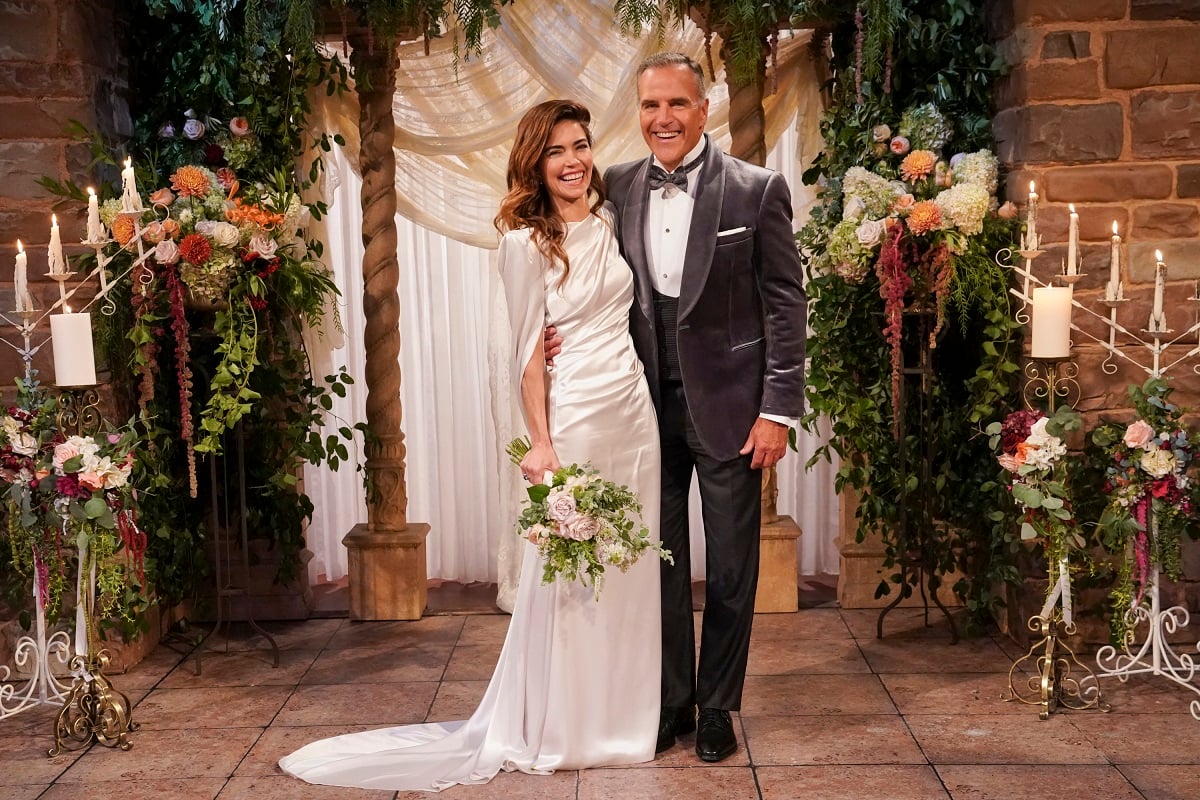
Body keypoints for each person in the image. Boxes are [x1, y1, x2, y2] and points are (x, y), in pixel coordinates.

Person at [277, 100, 662, 792]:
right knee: (570, 574)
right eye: (557, 150)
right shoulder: (522, 242)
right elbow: (524, 355)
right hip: (572, 418)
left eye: (580, 145)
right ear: (535, 163)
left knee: (627, 569)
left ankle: (623, 719)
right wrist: (540, 443)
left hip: (633, 417)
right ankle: (563, 723)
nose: (573, 160)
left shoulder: (610, 222)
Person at [552, 52, 807, 763]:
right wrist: (548, 331)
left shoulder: (756, 191)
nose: (662, 118)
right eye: (649, 106)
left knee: (730, 567)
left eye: (676, 104)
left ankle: (719, 704)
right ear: (637, 113)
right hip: (638, 407)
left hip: (731, 409)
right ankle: (671, 702)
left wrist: (778, 409)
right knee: (656, 564)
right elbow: (583, 272)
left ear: (703, 109)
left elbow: (786, 305)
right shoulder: (619, 187)